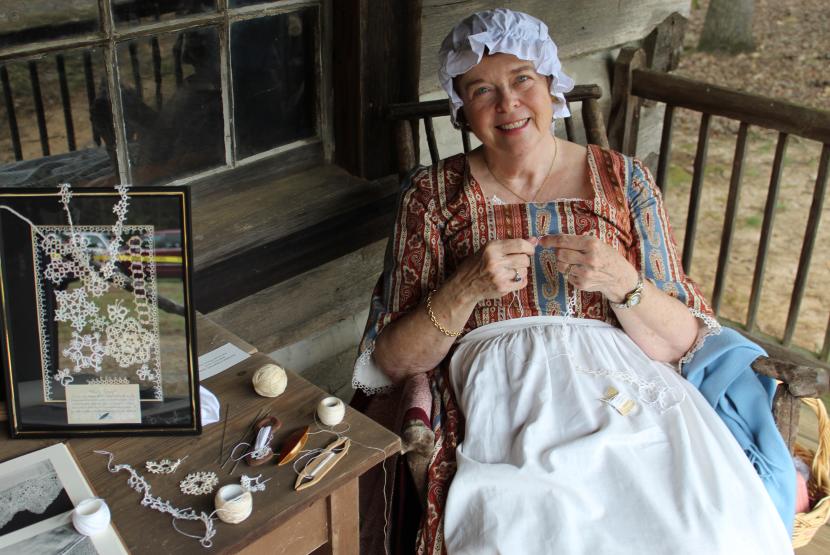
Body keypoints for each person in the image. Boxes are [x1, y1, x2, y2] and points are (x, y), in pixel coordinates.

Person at [353, 8, 794, 554]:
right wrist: (463, 289)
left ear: (551, 86)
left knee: (707, 526)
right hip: (504, 395)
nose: (508, 103)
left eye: (522, 81)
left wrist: (625, 284)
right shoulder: (433, 195)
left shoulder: (626, 181)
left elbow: (683, 340)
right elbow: (393, 361)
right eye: (482, 90)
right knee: (534, 533)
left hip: (626, 388)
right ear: (462, 109)